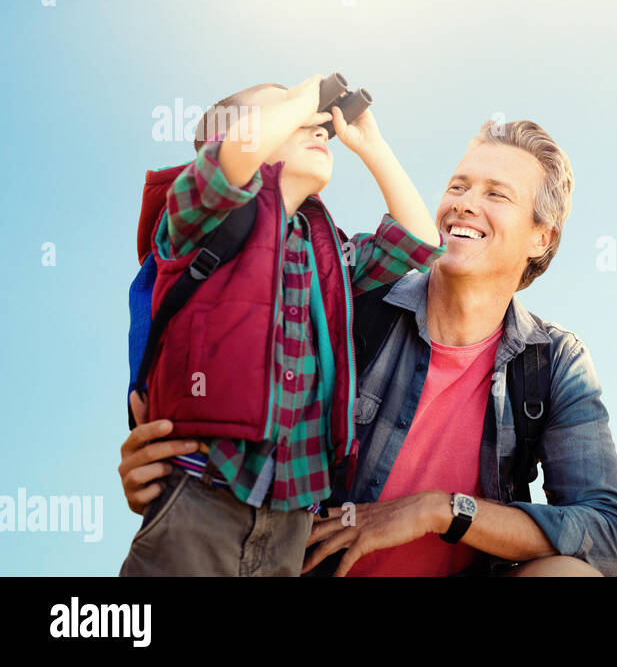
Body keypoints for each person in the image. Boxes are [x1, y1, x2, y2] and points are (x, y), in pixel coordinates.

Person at [120, 119, 617, 576]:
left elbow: (606, 534)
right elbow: (223, 329)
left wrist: (439, 510)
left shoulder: (553, 361)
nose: (464, 202)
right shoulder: (348, 297)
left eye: (496, 194)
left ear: (540, 239)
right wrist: (177, 469)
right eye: (458, 185)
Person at [118, 76, 445, 576]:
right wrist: (298, 99)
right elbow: (225, 169)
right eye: (292, 117)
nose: (314, 121)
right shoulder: (197, 214)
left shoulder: (327, 251)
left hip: (291, 520)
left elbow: (419, 243)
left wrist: (371, 146)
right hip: (204, 499)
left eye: (314, 116)